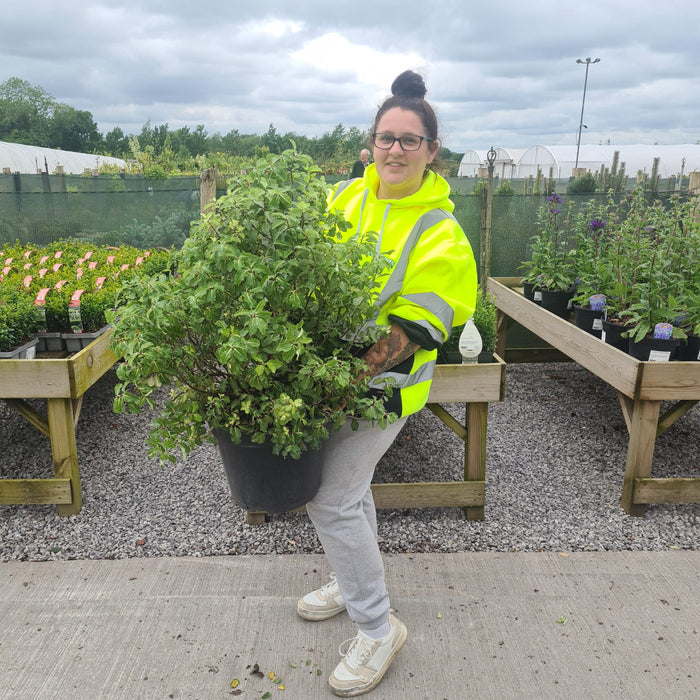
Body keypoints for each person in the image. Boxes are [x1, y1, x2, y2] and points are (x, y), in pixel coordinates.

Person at [297, 70, 478, 697]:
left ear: (432, 151)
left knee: (331, 498)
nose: (394, 150)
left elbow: (414, 330)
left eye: (409, 140)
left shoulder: (441, 232)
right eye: (384, 138)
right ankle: (354, 583)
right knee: (351, 493)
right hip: (329, 375)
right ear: (370, 144)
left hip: (383, 387)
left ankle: (377, 628)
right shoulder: (345, 197)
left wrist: (339, 378)